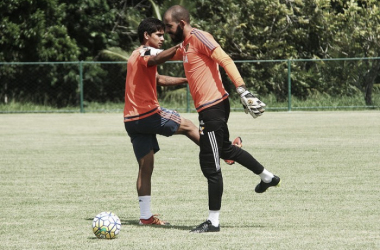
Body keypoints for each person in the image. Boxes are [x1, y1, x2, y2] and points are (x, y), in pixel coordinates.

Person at [163, 5, 281, 233]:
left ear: (182, 23)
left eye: (169, 26)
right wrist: (146, 58)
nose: (167, 31)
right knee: (226, 150)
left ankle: (213, 222)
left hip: (213, 108)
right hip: (211, 108)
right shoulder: (185, 45)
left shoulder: (200, 37)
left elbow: (225, 59)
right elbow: (162, 58)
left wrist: (242, 89)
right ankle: (268, 177)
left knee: (210, 163)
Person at [123, 17, 200, 226]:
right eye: (158, 35)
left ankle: (145, 217)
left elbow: (159, 80)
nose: (162, 39)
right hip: (147, 115)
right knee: (189, 126)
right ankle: (223, 151)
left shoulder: (135, 56)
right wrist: (183, 44)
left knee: (145, 168)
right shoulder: (145, 52)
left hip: (131, 120)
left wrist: (186, 80)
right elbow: (158, 58)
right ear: (146, 36)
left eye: (164, 35)